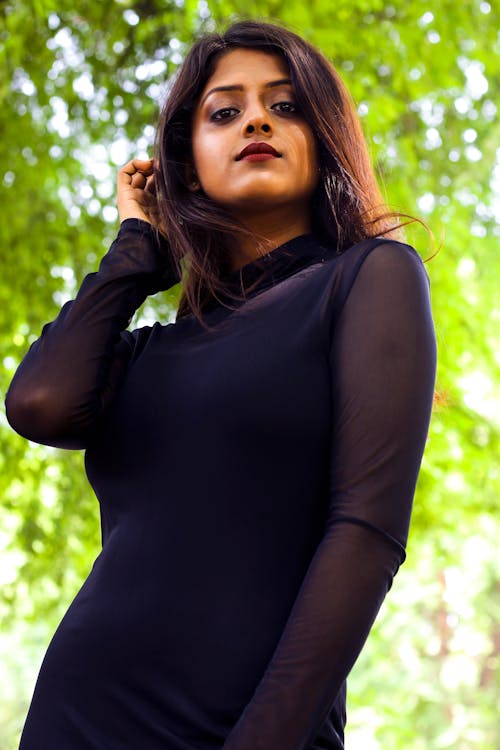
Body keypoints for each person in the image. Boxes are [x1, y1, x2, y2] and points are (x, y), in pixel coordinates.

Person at [6, 19, 437, 750]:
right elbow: (39, 406)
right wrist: (136, 249)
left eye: (286, 104)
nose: (257, 120)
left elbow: (366, 532)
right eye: (224, 111)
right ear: (188, 158)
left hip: (249, 729)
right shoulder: (145, 353)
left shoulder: (370, 280)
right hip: (77, 719)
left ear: (323, 136)